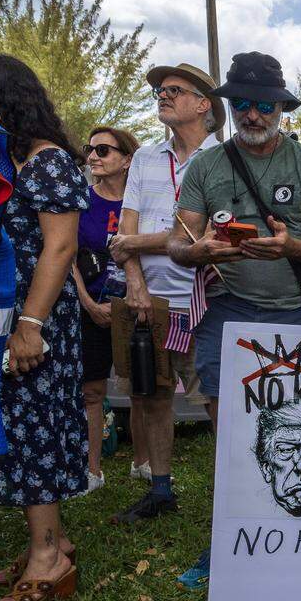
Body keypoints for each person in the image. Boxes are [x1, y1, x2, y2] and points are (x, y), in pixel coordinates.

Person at [168, 51, 301, 588]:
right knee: (232, 437)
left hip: (298, 314)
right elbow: (179, 244)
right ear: (228, 106)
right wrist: (201, 252)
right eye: (241, 103)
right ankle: (228, 543)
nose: (251, 114)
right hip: (228, 314)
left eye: (262, 104)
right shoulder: (207, 165)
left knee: (299, 432)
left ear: (280, 108)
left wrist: (292, 245)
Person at [0, 55, 88, 601]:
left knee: (34, 428)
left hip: (39, 318)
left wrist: (30, 325)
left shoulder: (47, 163)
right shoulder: (16, 163)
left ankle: (48, 559)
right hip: (17, 313)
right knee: (25, 422)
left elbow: (59, 248)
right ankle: (53, 540)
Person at [108, 63, 224, 525]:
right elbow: (126, 226)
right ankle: (160, 489)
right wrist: (134, 282)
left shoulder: (224, 159)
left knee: (217, 398)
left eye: (174, 90)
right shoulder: (145, 158)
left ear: (203, 105)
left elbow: (202, 235)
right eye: (160, 90)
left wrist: (132, 244)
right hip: (150, 298)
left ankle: (230, 496)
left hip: (209, 298)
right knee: (153, 394)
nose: (163, 95)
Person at [73, 126, 139, 492]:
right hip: (91, 307)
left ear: (127, 160)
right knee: (92, 391)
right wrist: (87, 303)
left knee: (144, 389)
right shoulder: (81, 200)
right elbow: (65, 255)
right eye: (90, 149)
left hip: (138, 305)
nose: (93, 156)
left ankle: (143, 463)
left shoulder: (141, 199)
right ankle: (92, 470)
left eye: (103, 150)